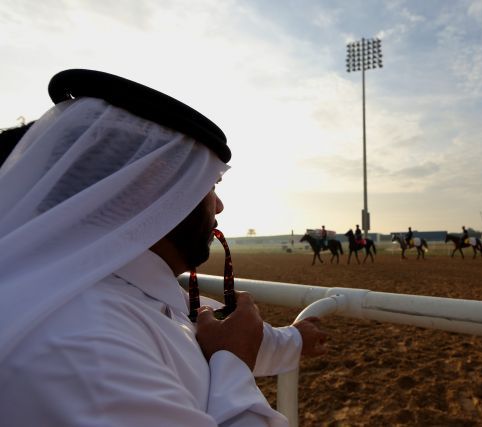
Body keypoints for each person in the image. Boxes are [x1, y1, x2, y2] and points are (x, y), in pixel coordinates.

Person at [0, 69, 327, 426]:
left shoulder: (115, 285)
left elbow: (194, 338)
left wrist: (293, 340)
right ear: (152, 190)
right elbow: (216, 347)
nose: (218, 206)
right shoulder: (83, 346)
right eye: (208, 185)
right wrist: (233, 361)